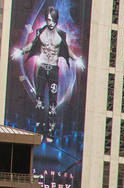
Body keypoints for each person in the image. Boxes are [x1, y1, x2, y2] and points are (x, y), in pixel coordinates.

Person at [14, 7, 82, 140]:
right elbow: (32, 45)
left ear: (56, 20)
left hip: (53, 69)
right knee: (39, 100)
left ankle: (50, 130)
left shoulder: (61, 35)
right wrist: (21, 51)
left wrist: (76, 59)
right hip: (41, 68)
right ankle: (39, 127)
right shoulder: (41, 32)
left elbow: (67, 50)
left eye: (52, 20)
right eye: (48, 19)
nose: (50, 22)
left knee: (52, 102)